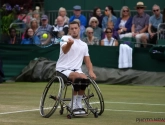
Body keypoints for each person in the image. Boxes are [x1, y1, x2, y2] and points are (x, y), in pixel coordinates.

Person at [56, 21, 96, 115]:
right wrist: (70, 44)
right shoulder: (64, 38)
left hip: (76, 70)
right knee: (78, 77)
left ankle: (78, 103)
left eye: (76, 28)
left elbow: (88, 61)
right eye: (72, 28)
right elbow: (65, 51)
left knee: (85, 79)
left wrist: (91, 71)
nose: (74, 30)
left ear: (79, 29)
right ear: (69, 30)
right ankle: (72, 104)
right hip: (63, 69)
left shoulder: (84, 45)